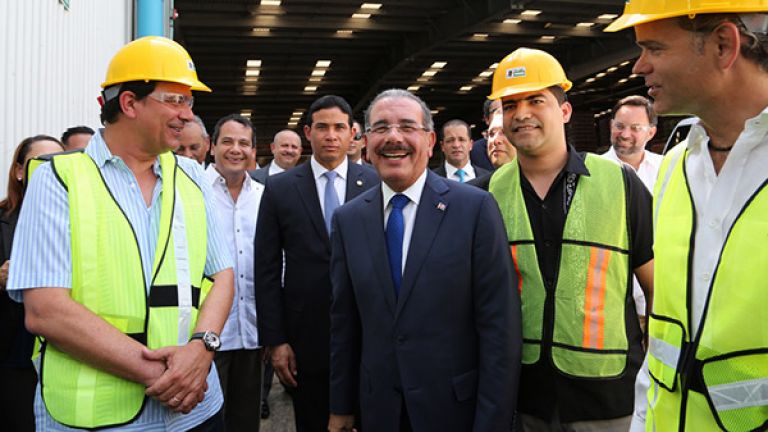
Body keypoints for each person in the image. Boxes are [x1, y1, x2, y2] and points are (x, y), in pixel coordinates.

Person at [6, 36, 234, 431]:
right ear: (129, 103)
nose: (187, 114)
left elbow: (223, 276)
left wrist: (202, 350)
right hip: (98, 417)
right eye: (174, 100)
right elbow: (46, 310)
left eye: (189, 102)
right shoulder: (58, 180)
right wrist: (164, 376)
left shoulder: (193, 177)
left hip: (196, 408)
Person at [606, 3, 768, 431]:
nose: (640, 66)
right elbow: (663, 339)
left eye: (654, 48)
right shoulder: (675, 169)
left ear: (722, 45)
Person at [327, 88, 521, 432]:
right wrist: (341, 406)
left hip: (456, 411)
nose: (393, 138)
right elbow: (345, 324)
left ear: (430, 141)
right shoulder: (348, 220)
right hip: (379, 411)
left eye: (406, 126)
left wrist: (493, 422)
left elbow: (499, 329)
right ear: (366, 142)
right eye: (381, 128)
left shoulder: (474, 209)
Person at [486, 47, 654, 431]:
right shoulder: (489, 195)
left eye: (536, 100)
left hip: (608, 398)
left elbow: (659, 290)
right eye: (510, 104)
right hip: (524, 398)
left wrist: (656, 373)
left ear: (564, 111)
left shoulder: (621, 185)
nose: (522, 113)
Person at [254, 95, 379, 432]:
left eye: (339, 127)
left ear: (353, 133)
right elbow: (265, 268)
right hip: (305, 337)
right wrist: (276, 340)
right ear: (308, 132)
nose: (331, 135)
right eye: (322, 127)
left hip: (367, 331)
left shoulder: (374, 183)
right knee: (313, 421)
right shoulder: (280, 189)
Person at [0, 135, 64, 432]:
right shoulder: (3, 219)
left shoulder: (79, 219)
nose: (50, 170)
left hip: (63, 351)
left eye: (59, 162)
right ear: (19, 171)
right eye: (40, 163)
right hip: (13, 351)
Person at [206, 114, 264, 431]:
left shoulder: (264, 197)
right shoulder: (192, 191)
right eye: (227, 141)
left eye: (243, 143)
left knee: (245, 420)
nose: (235, 149)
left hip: (251, 330)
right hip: (207, 333)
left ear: (253, 150)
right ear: (212, 146)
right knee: (207, 419)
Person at [601, 95, 662, 331]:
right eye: (619, 126)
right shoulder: (592, 172)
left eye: (635, 128)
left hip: (660, 301)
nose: (625, 134)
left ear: (651, 132)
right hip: (615, 306)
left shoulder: (668, 169)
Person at [468, 99, 498, 171]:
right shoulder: (474, 151)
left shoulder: (523, 143)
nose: (502, 114)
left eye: (507, 108)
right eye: (497, 111)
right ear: (487, 119)